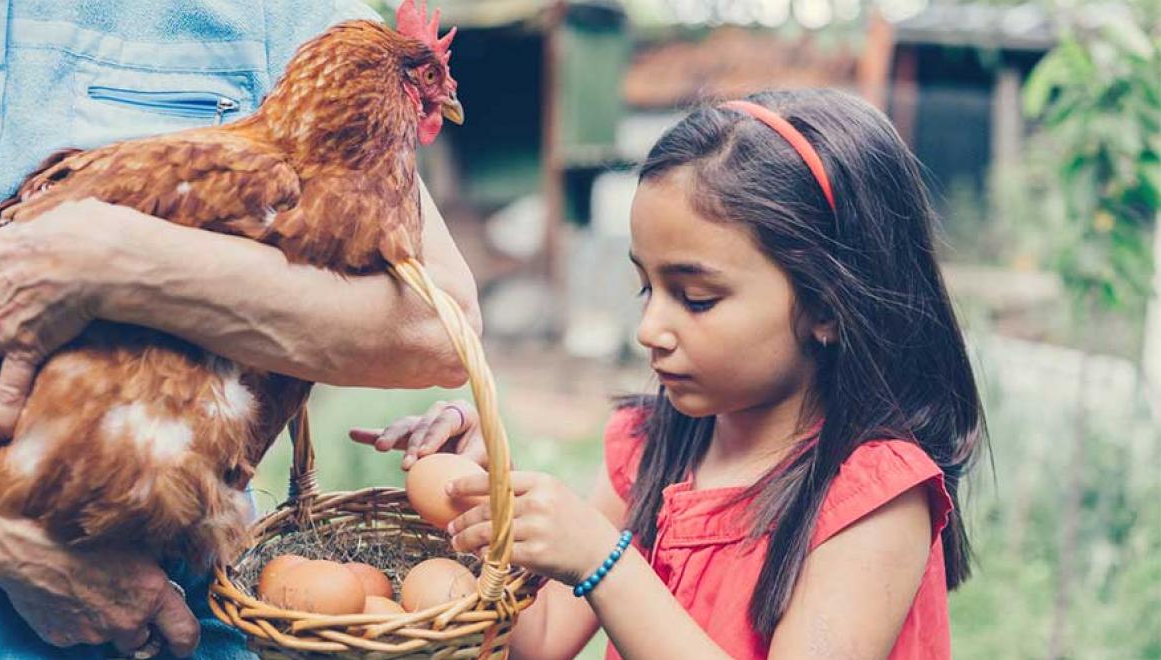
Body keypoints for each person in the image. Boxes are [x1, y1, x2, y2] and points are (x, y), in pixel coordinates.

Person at [355, 89, 986, 659]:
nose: (650, 329)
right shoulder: (656, 444)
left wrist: (605, 562)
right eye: (645, 289)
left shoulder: (873, 498)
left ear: (824, 307)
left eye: (696, 298)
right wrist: (478, 496)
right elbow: (540, 641)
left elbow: (601, 565)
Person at [0, 0, 480, 658]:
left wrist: (108, 263)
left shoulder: (295, 18)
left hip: (174, 594)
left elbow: (442, 331)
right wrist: (7, 546)